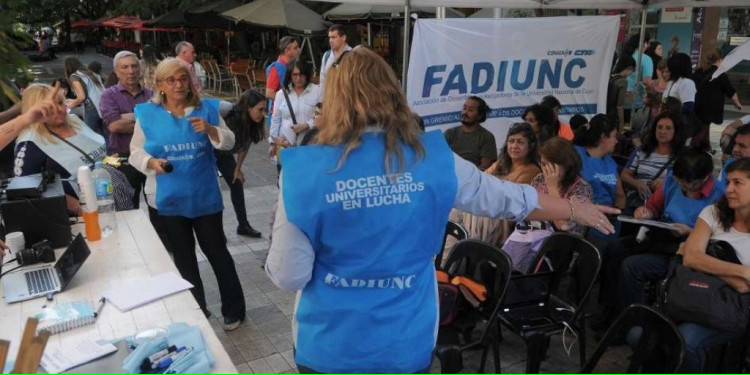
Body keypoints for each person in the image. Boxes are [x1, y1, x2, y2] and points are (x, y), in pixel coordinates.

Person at [263, 46, 619, 374]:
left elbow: (289, 275)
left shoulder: (304, 172)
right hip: (407, 341)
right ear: (391, 92)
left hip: (332, 347)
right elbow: (505, 196)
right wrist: (572, 208)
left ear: (335, 100)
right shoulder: (432, 159)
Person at [129, 58, 246, 330]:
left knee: (217, 252)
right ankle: (198, 310)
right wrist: (151, 163)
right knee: (183, 258)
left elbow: (229, 142)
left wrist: (211, 129)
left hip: (204, 196)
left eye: (183, 78)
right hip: (168, 199)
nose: (178, 84)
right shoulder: (146, 114)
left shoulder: (206, 108)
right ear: (160, 85)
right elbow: (135, 151)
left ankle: (234, 310)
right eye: (171, 80)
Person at [618, 149, 724, 314]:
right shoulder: (672, 181)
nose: (685, 187)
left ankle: (634, 320)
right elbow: (654, 206)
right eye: (680, 182)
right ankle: (613, 310)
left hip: (685, 253)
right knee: (615, 249)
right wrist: (646, 212)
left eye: (691, 184)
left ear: (706, 177)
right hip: (661, 237)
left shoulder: (719, 196)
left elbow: (720, 238)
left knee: (631, 266)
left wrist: (690, 232)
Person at [677, 158, 750, 372]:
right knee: (639, 333)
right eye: (727, 182)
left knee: (685, 340)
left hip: (737, 308)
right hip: (697, 294)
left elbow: (745, 289)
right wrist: (743, 272)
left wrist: (704, 262)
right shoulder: (713, 213)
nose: (729, 189)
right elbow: (691, 258)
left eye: (738, 183)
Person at [13, 83, 106, 214]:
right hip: (78, 214)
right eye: (50, 107)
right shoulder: (29, 144)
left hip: (107, 196)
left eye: (60, 103)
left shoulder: (75, 122)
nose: (60, 110)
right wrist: (77, 208)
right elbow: (26, 189)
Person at [447, 122, 541, 249]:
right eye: (511, 141)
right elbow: (481, 182)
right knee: (455, 207)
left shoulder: (532, 170)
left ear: (530, 146)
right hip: (487, 208)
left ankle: (462, 252)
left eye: (520, 142)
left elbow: (512, 200)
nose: (514, 146)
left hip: (501, 218)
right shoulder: (501, 163)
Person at [217, 90, 267, 237]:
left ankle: (243, 225)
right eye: (260, 109)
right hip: (210, 153)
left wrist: (237, 169)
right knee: (213, 190)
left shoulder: (253, 122)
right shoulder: (231, 118)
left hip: (225, 155)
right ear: (248, 108)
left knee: (236, 183)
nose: (263, 113)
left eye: (264, 109)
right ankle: (216, 231)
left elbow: (244, 147)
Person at [620, 112, 685, 213]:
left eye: (668, 128)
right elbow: (624, 175)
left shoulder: (682, 156)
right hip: (639, 202)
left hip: (667, 204)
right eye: (659, 127)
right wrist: (637, 184)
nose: (662, 131)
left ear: (676, 132)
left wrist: (666, 184)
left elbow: (689, 182)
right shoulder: (642, 151)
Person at [531, 137, 593, 235]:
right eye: (543, 164)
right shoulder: (539, 179)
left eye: (552, 166)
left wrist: (552, 188)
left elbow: (563, 226)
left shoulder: (582, 188)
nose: (546, 170)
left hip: (564, 242)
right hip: (534, 235)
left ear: (567, 165)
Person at [268, 60, 321, 171]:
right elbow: (276, 119)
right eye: (295, 75)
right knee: (287, 180)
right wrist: (273, 142)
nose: (298, 78)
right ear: (290, 76)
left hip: (310, 145)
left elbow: (325, 116)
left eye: (301, 74)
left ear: (307, 75)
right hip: (286, 146)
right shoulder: (282, 94)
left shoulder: (317, 92)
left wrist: (307, 125)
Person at [694, 48, 743, 152]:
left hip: (698, 105)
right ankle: (698, 148)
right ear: (720, 59)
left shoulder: (700, 71)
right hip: (711, 107)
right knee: (703, 128)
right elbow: (731, 91)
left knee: (704, 125)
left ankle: (706, 147)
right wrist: (737, 103)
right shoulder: (720, 74)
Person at [443, 97, 496, 170]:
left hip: (474, 177)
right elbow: (440, 159)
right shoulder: (450, 133)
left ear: (480, 116)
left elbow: (485, 167)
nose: (465, 112)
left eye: (471, 110)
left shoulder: (487, 137)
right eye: (464, 108)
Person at [63, 56, 106, 138]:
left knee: (88, 134)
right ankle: (110, 151)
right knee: (105, 134)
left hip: (91, 107)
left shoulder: (74, 77)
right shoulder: (91, 73)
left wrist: (70, 105)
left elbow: (82, 97)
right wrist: (73, 100)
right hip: (103, 104)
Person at [265, 36, 300, 121]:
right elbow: (269, 93)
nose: (299, 49)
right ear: (287, 51)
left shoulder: (290, 65)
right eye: (295, 48)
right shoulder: (276, 68)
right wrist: (290, 102)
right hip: (279, 115)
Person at [622, 34, 654, 123]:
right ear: (644, 44)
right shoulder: (646, 59)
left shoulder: (623, 57)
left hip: (620, 100)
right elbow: (647, 82)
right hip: (636, 102)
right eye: (648, 43)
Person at [319, 24, 352, 95]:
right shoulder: (326, 55)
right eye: (329, 37)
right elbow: (322, 81)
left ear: (343, 37)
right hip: (330, 100)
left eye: (334, 37)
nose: (330, 40)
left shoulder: (353, 55)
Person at [607, 55, 636, 133]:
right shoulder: (623, 81)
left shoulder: (609, 77)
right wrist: (621, 127)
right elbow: (620, 106)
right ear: (629, 67)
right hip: (614, 116)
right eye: (632, 70)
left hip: (606, 113)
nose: (631, 73)